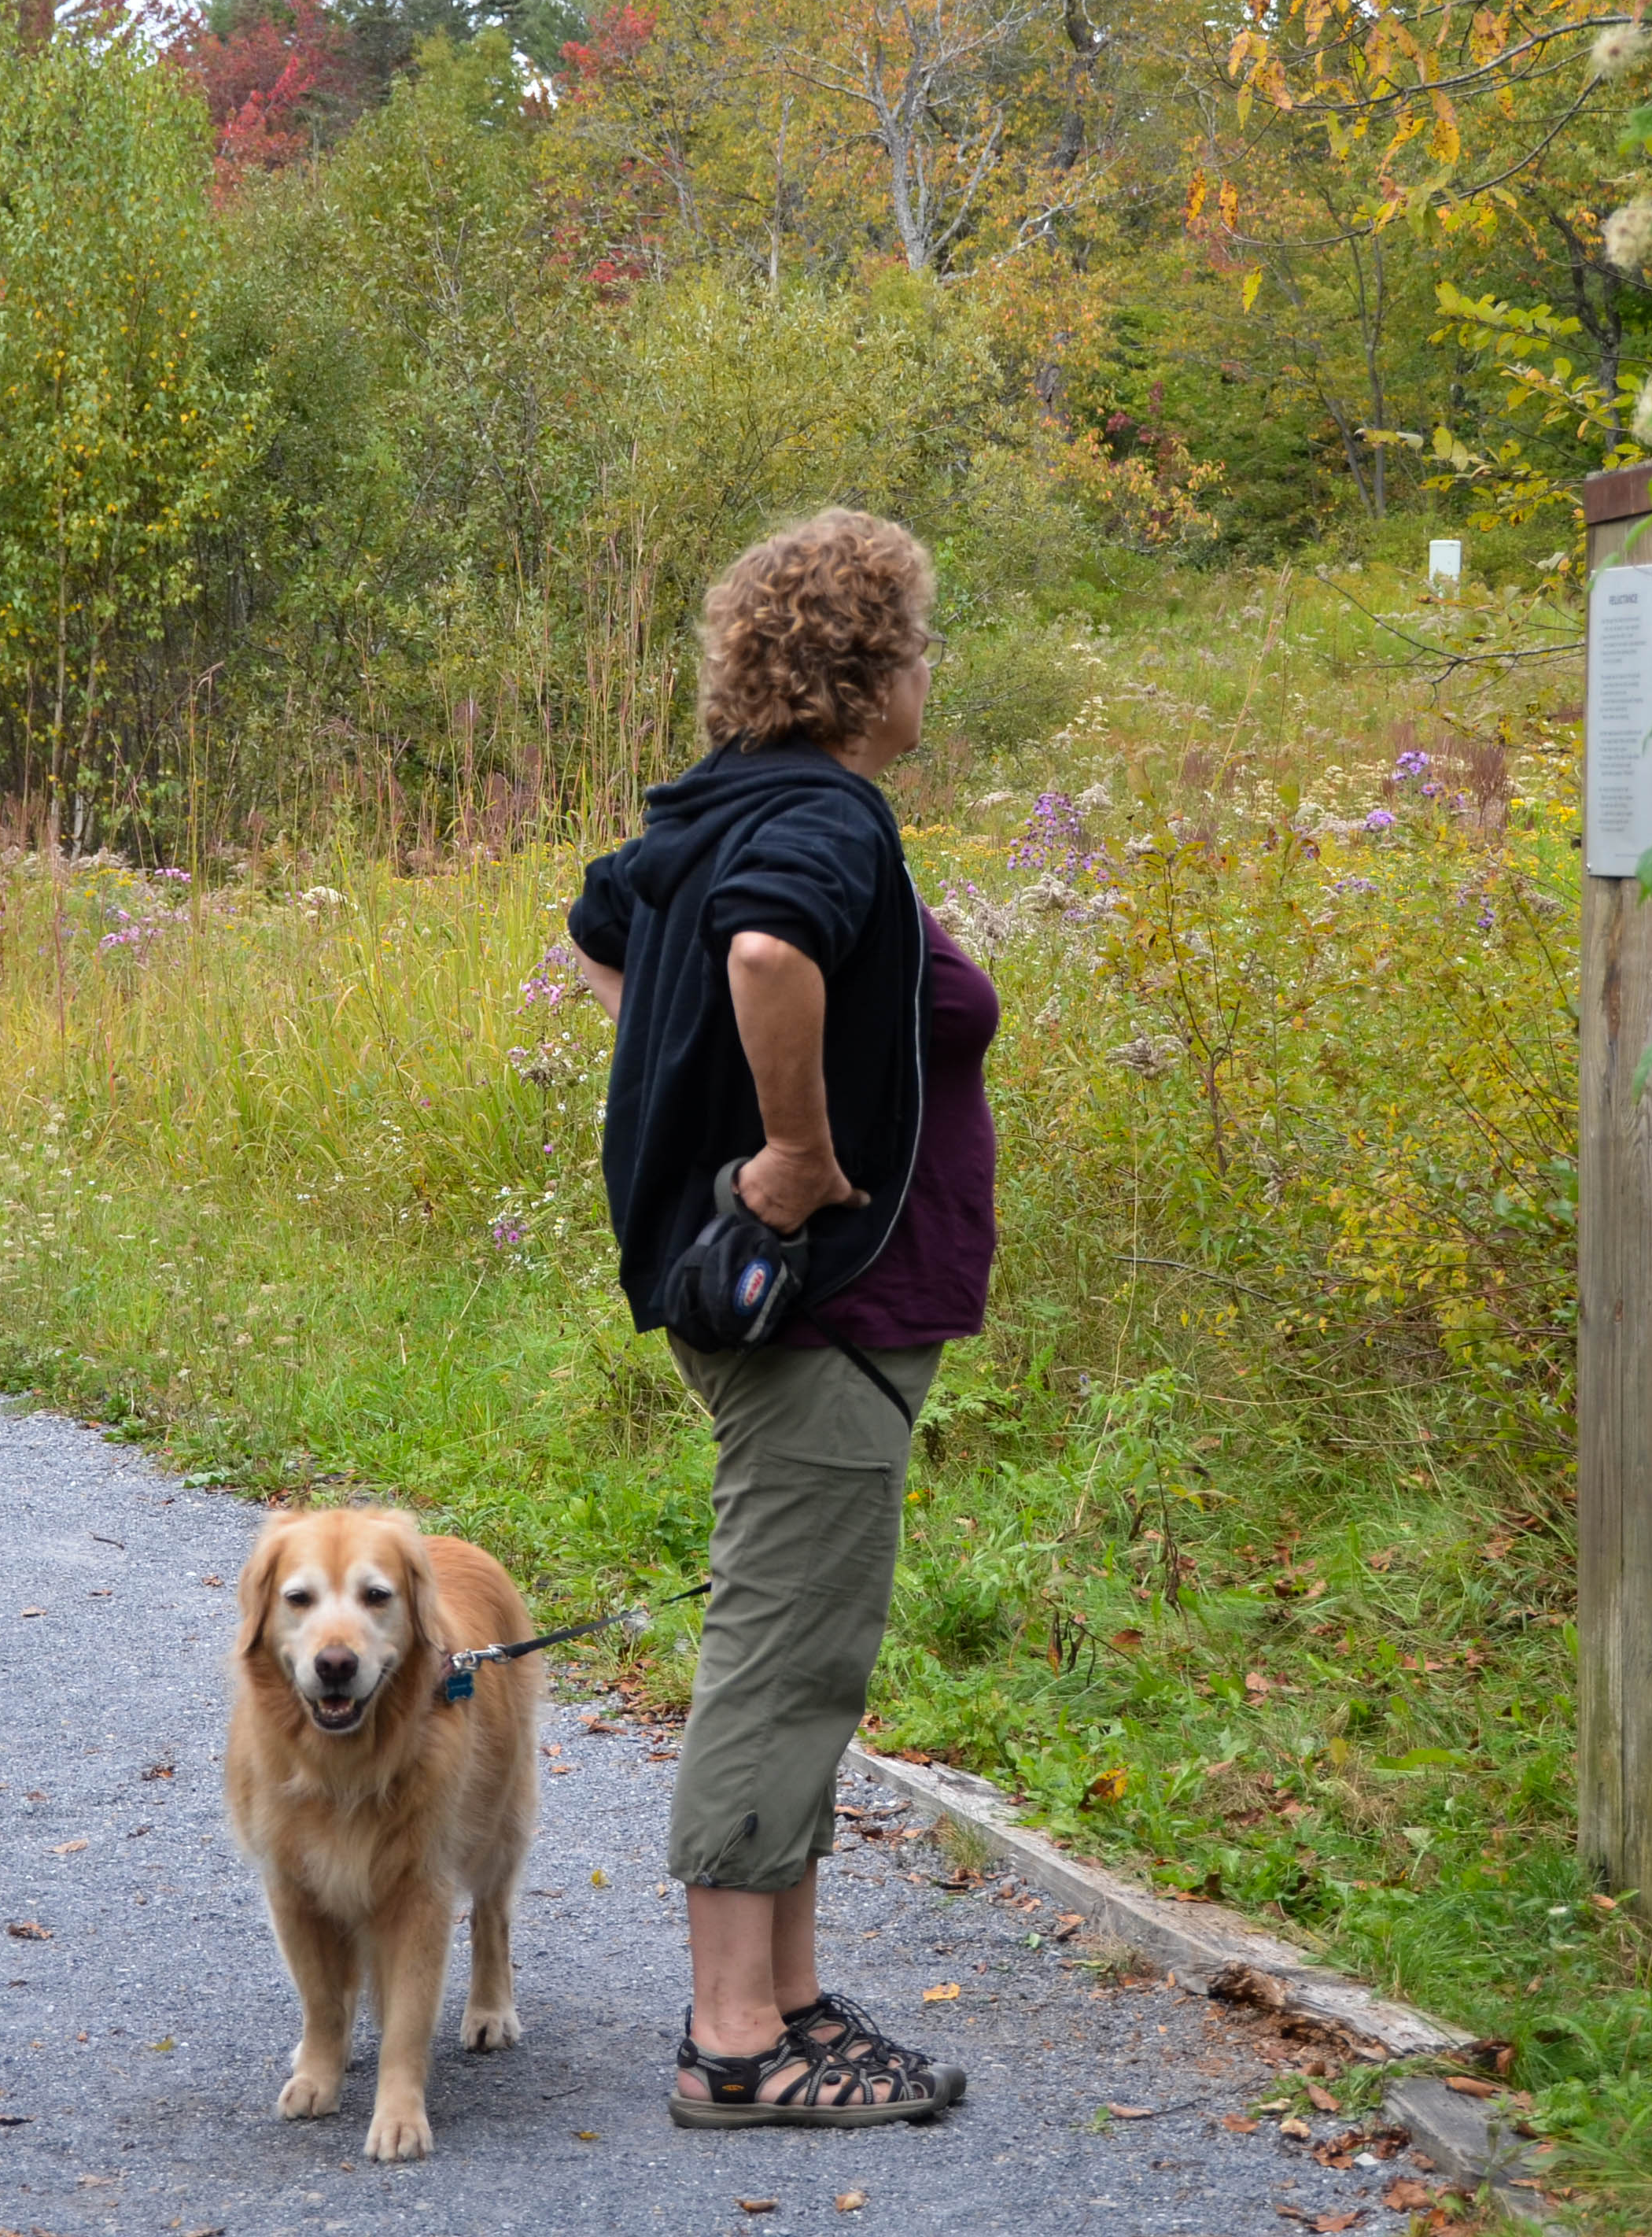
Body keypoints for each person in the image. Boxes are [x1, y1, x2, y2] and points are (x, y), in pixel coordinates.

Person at [566, 508, 1000, 2129]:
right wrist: (791, 1153)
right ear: (870, 667)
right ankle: (736, 2042)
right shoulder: (825, 819)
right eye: (920, 648)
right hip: (826, 1300)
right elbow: (760, 954)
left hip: (807, 1301)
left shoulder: (723, 802)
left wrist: (677, 1111)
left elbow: (604, 930)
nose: (928, 678)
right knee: (780, 1655)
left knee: (807, 1647)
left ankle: (793, 2001)